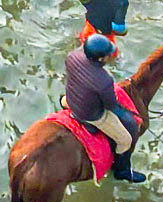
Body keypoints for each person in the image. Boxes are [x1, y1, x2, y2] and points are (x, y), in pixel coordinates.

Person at [63, 33, 146, 183]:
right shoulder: (104, 80)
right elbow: (111, 106)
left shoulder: (72, 56)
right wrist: (128, 112)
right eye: (108, 55)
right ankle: (122, 171)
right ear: (101, 59)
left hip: (70, 100)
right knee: (125, 140)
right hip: (90, 115)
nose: (111, 56)